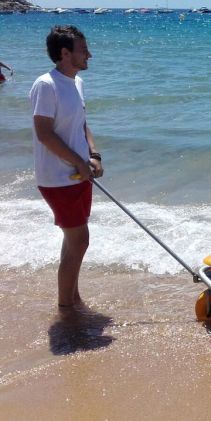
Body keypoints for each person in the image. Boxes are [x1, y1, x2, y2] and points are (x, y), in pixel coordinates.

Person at [29, 26, 103, 310]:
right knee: (80, 240)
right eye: (84, 50)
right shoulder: (46, 85)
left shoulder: (76, 83)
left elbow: (82, 124)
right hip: (58, 179)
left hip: (78, 174)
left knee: (74, 241)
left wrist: (93, 155)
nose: (89, 55)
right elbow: (44, 134)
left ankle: (72, 298)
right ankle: (66, 308)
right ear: (65, 53)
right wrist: (77, 162)